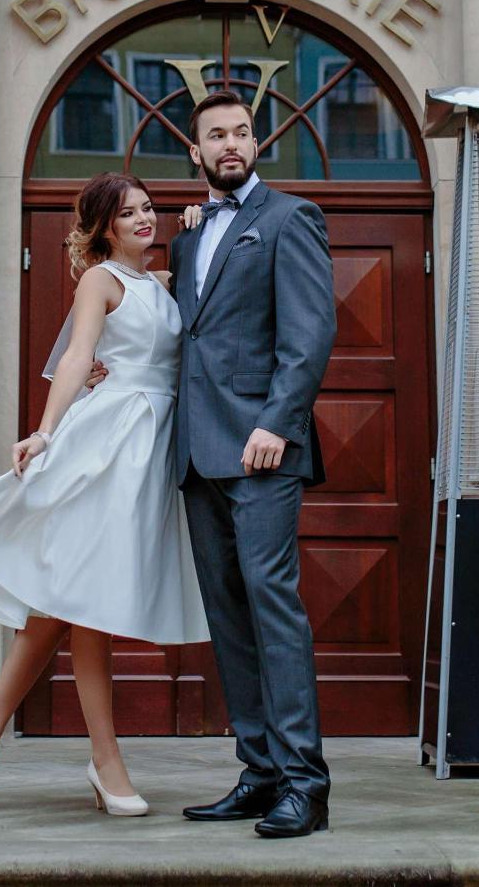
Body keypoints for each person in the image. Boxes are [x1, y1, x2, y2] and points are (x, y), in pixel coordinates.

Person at [0, 172, 209, 814]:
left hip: (153, 451)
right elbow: (76, 356)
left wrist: (204, 226)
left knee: (64, 602)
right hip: (107, 446)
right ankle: (105, 761)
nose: (144, 218)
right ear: (104, 227)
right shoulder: (100, 281)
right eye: (128, 212)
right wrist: (44, 431)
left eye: (149, 207)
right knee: (84, 602)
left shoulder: (164, 283)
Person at [169, 91, 337, 839]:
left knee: (273, 606)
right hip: (197, 452)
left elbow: (311, 332)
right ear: (196, 151)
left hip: (261, 448)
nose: (231, 143)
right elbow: (192, 336)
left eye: (241, 132)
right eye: (217, 135)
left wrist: (278, 421)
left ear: (255, 142)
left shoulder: (290, 218)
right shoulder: (187, 238)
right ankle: (260, 770)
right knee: (228, 616)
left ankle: (306, 783)